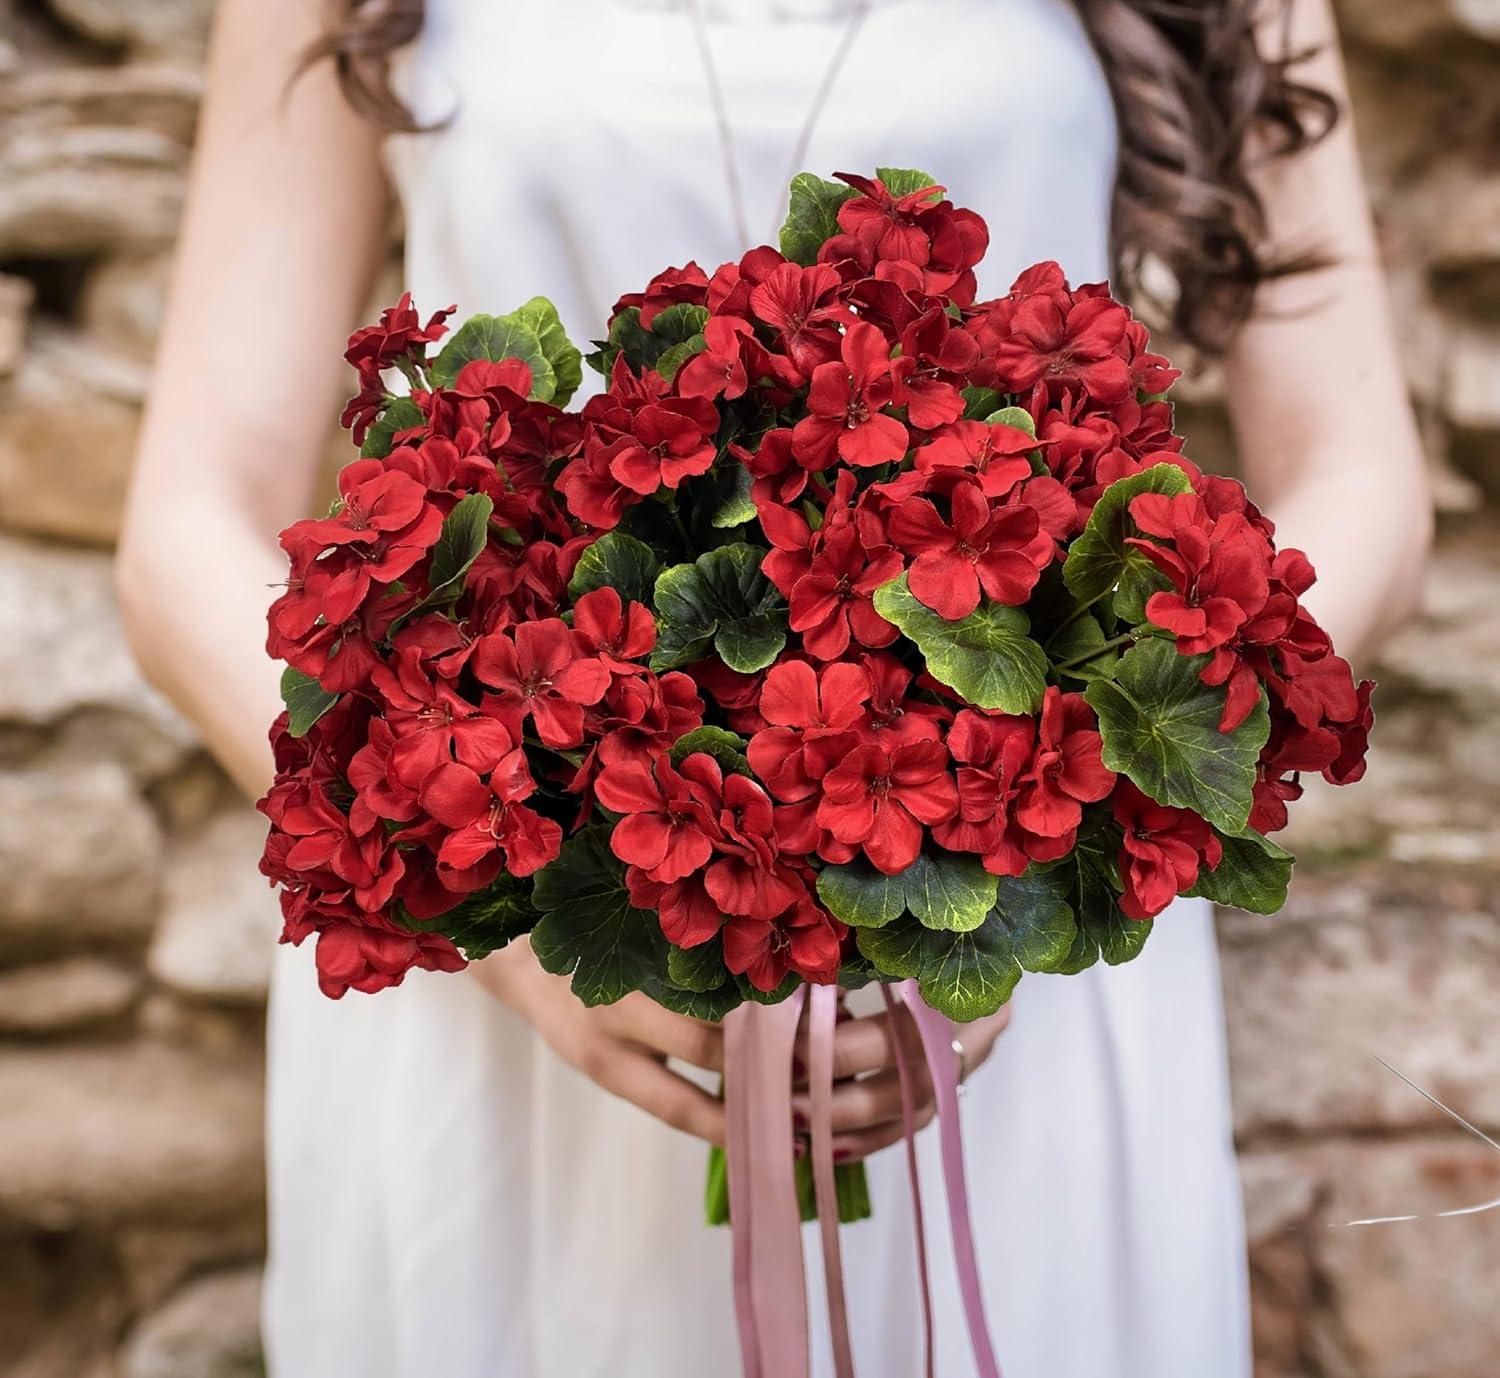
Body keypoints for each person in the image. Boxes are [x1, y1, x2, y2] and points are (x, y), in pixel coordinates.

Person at [116, 1, 1430, 1374]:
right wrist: (487, 911)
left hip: (1020, 956)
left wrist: (1068, 832)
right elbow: (189, 525)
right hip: (520, 969)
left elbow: (1364, 481)